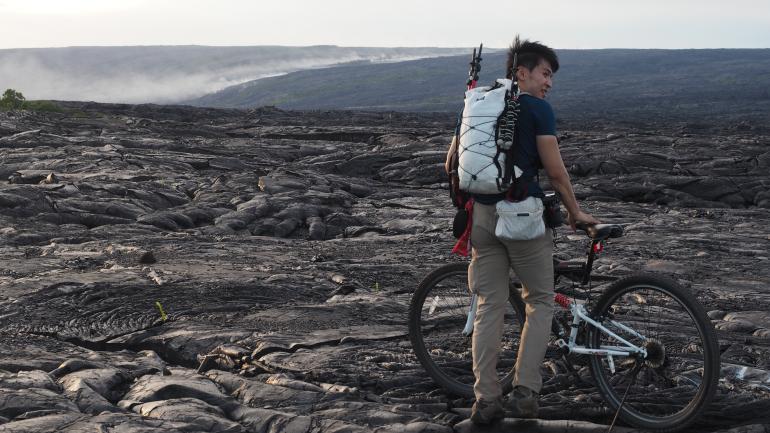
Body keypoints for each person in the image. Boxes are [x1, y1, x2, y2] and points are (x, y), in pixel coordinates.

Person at [454, 37, 600, 424]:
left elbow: (453, 160)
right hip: (523, 219)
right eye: (545, 74)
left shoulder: (478, 105)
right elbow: (555, 171)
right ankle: (524, 394)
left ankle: (486, 401)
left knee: (489, 306)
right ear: (522, 73)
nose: (549, 83)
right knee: (539, 300)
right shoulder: (536, 109)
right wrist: (575, 211)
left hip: (482, 218)